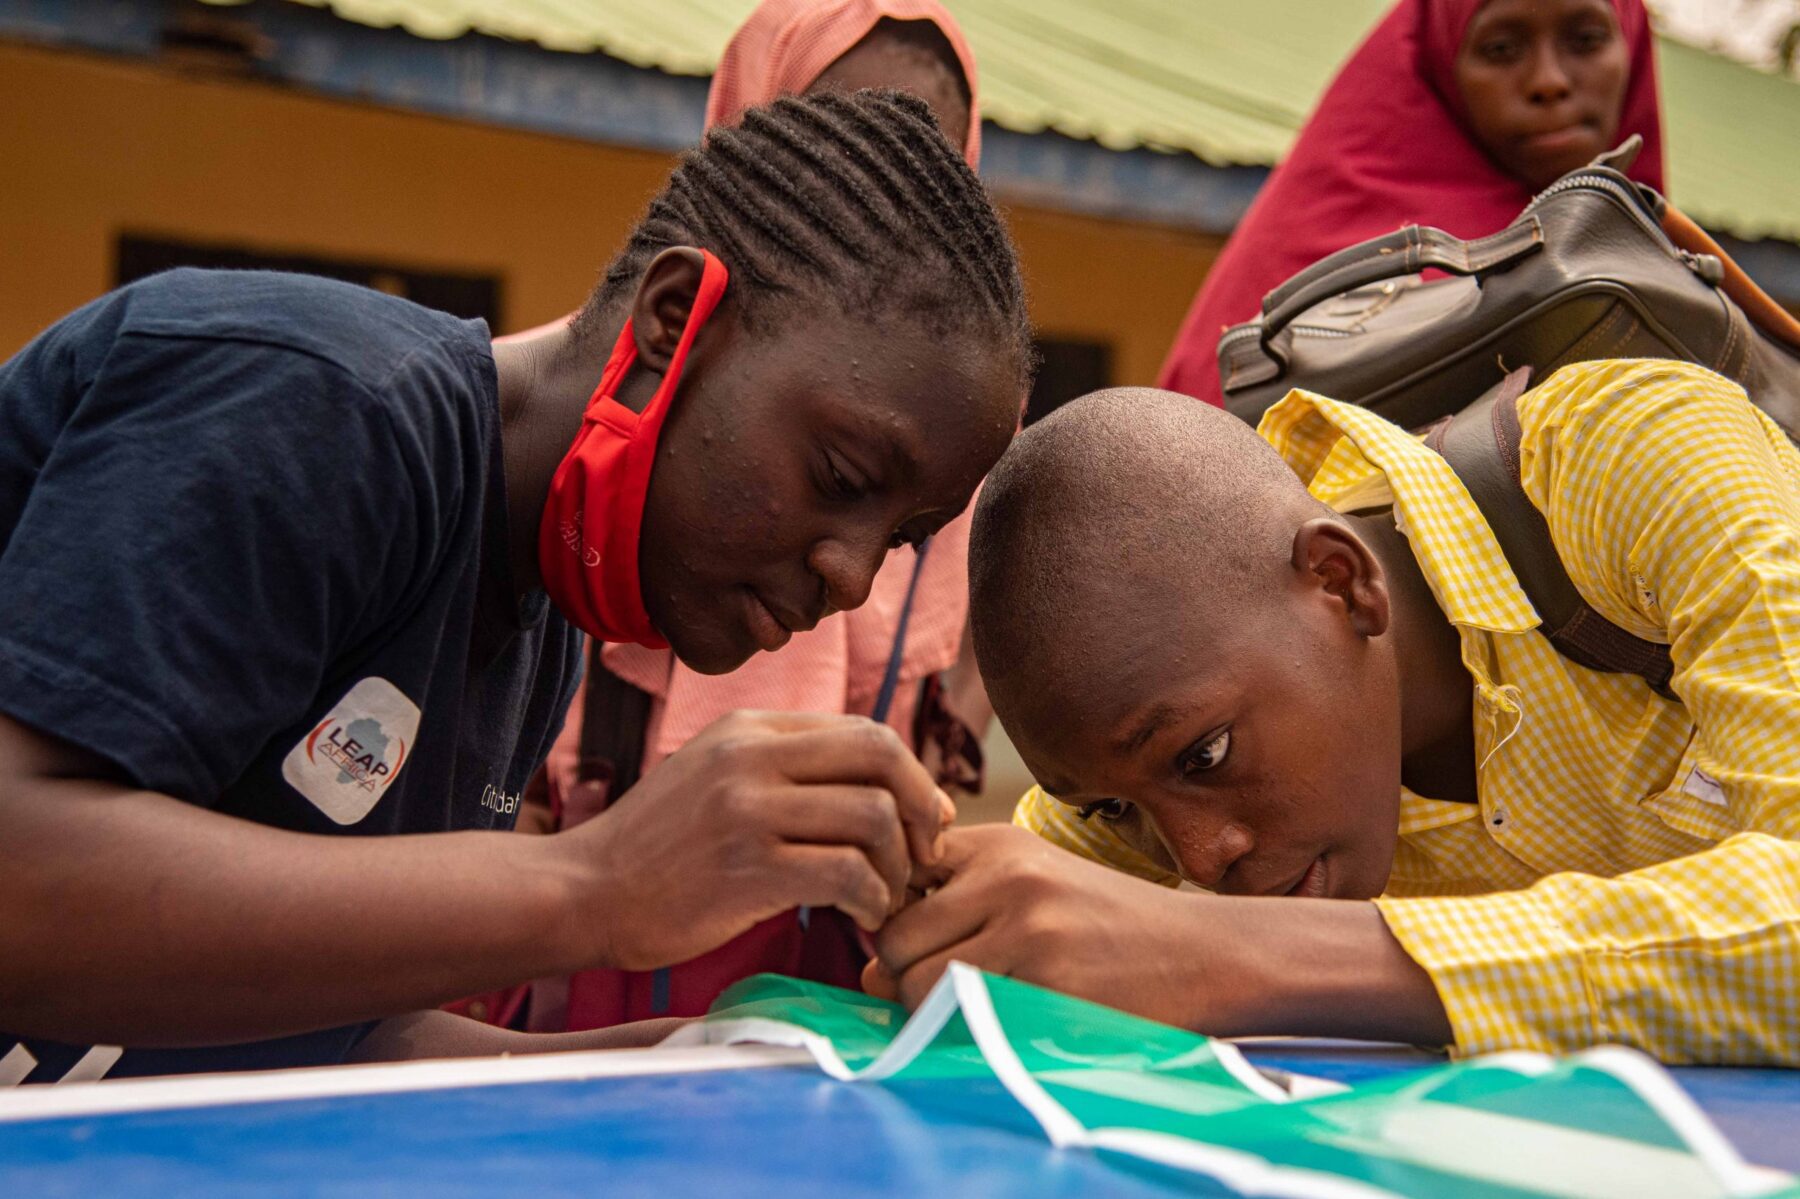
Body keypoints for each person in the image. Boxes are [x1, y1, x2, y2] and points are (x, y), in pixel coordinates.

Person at [0, 90, 1033, 1084]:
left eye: (902, 539)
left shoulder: (537, 618)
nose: (850, 577)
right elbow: (23, 882)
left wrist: (696, 1065)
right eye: (842, 478)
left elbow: (316, 1024)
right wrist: (599, 884)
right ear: (675, 318)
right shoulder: (317, 401)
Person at [868, 360, 1800, 1066]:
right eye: (1118, 811)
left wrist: (1237, 959)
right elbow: (1007, 911)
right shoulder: (1172, 708)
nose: (1199, 860)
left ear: (1339, 583)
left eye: (1207, 755)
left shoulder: (1644, 458)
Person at [504, 0, 998, 1032]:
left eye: (925, 151)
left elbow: (958, 687)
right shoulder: (579, 402)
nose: (852, 578)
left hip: (828, 955)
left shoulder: (952, 464)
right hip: (576, 911)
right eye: (844, 127)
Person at [1158, 0, 1665, 407]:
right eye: (1502, 48)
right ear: (1442, 64)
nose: (1549, 81)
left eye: (1586, 40)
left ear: (1634, 49)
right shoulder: (1363, 232)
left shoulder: (1658, 256)